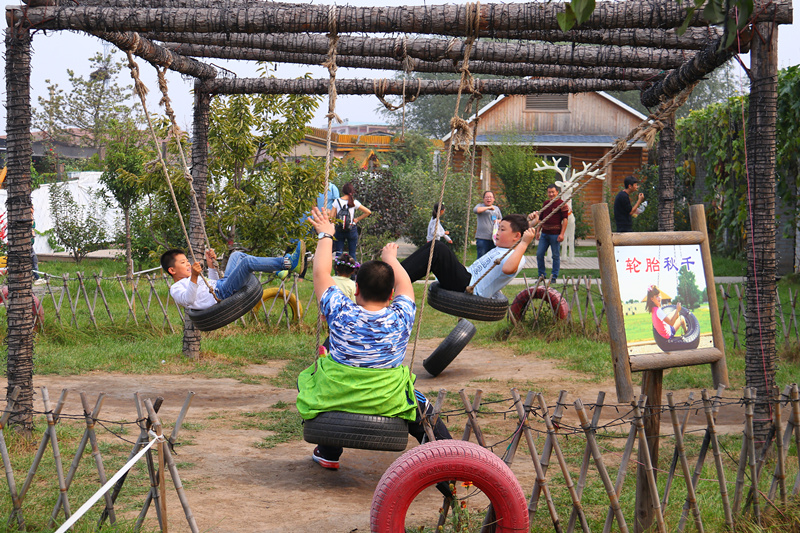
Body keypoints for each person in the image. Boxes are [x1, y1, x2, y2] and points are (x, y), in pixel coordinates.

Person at [298, 207, 451, 470]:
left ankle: (328, 451)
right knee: (423, 410)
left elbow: (321, 273)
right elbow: (406, 285)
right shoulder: (401, 316)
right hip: (386, 398)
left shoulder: (341, 311)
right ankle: (447, 459)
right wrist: (391, 257)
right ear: (392, 295)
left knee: (310, 379)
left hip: (337, 394)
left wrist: (326, 234)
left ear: (355, 289)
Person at [402, 214, 536, 298]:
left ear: (517, 236)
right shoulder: (502, 248)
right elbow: (517, 235)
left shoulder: (517, 256)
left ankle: (394, 278)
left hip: (469, 287)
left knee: (438, 248)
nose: (498, 232)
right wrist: (529, 224)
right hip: (465, 277)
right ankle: (396, 272)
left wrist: (524, 243)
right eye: (499, 228)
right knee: (434, 247)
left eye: (502, 229)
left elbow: (509, 269)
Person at [161, 241, 305, 310]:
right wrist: (193, 276)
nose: (188, 264)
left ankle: (277, 269)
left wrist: (211, 265)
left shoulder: (192, 279)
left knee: (237, 255)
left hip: (221, 286)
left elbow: (213, 283)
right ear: (172, 270)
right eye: (183, 262)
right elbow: (188, 300)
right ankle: (288, 263)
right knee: (247, 262)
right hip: (222, 293)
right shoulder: (176, 288)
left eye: (187, 261)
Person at [528, 184, 569, 283]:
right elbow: (541, 219)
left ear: (557, 192)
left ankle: (554, 276)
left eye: (553, 192)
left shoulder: (562, 204)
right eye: (549, 192)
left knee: (555, 255)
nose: (551, 194)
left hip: (555, 234)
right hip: (545, 234)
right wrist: (538, 231)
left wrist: (562, 234)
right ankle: (541, 275)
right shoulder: (546, 203)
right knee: (539, 254)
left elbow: (565, 220)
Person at [330, 182, 371, 260]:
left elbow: (331, 217)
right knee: (352, 254)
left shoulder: (337, 201)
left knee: (339, 253)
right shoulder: (354, 202)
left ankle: (338, 271)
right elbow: (368, 212)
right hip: (351, 228)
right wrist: (357, 219)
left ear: (343, 191)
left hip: (339, 229)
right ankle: (353, 271)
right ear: (352, 191)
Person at [473, 191, 502, 258]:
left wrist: (497, 221)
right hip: (482, 238)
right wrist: (488, 208)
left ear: (494, 199)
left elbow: (501, 220)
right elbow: (476, 210)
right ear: (483, 199)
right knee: (481, 258)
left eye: (490, 197)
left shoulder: (496, 208)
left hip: (494, 239)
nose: (489, 199)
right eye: (487, 197)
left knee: (493, 259)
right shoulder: (480, 206)